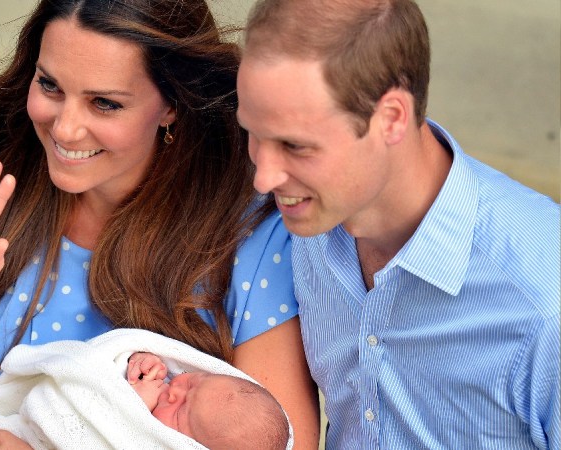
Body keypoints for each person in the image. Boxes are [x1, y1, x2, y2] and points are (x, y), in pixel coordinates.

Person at [0, 1, 320, 449]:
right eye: (50, 85)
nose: (66, 128)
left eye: (105, 103)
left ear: (171, 105)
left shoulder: (250, 239)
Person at [237, 0, 560, 448]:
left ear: (391, 118)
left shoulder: (543, 303)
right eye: (253, 133)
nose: (264, 177)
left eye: (296, 146)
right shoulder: (302, 222)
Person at [0, 329, 291, 450]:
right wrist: (134, 362)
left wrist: (131, 403)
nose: (174, 390)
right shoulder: (158, 383)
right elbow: (93, 379)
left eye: (182, 411)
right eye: (192, 382)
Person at [129, 352, 289, 450]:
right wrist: (142, 362)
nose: (173, 391)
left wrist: (135, 404)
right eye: (190, 383)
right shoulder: (167, 382)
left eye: (179, 413)